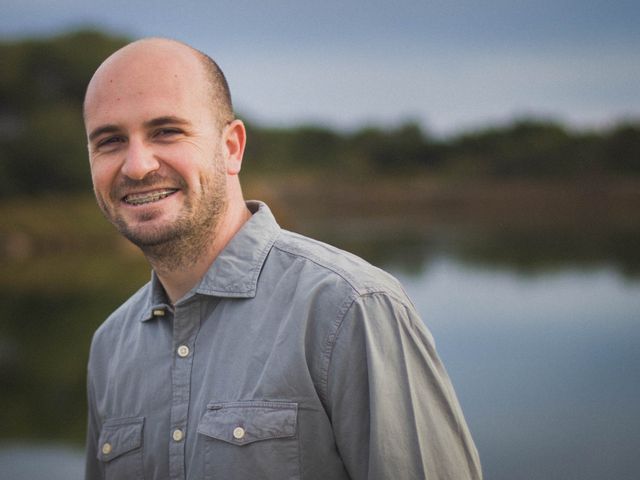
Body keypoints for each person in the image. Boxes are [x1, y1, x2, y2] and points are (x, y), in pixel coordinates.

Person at [83, 37, 482, 480]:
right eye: (110, 140)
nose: (137, 165)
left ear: (231, 147)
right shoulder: (109, 346)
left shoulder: (351, 309)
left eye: (166, 131)